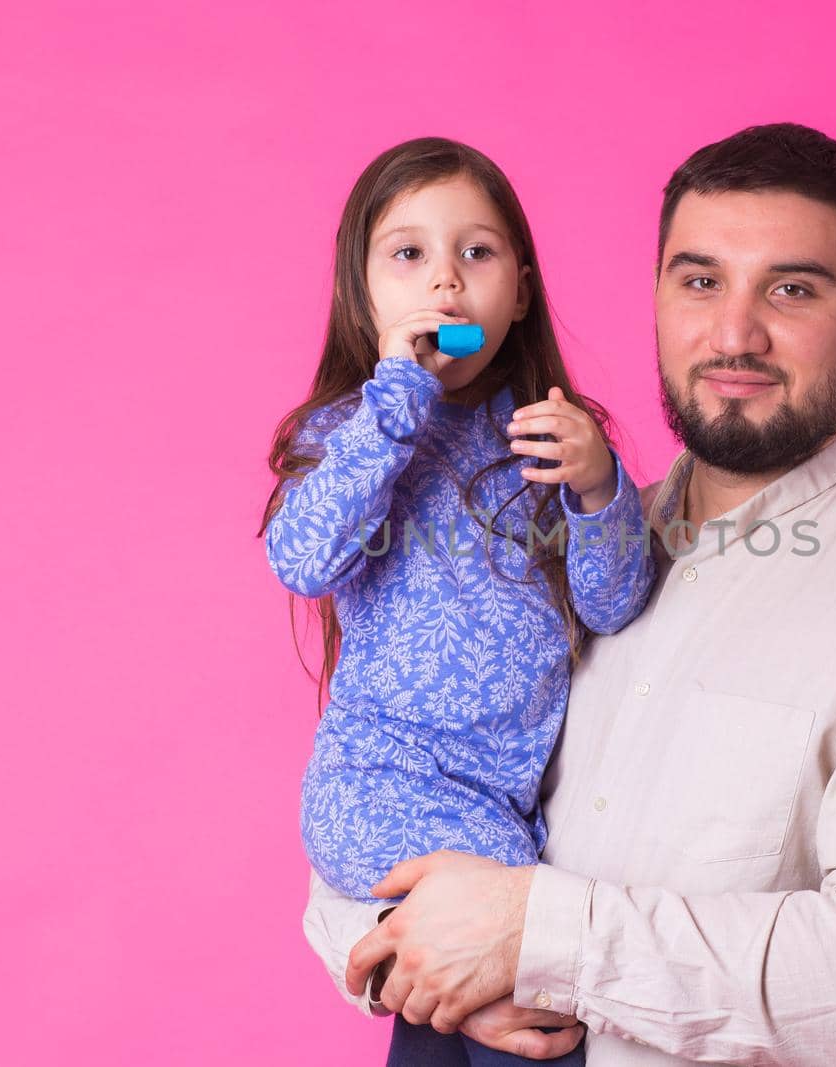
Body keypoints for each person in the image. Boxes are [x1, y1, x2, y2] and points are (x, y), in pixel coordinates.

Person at [302, 123, 836, 1066]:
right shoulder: (557, 534)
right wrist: (421, 963)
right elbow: (383, 813)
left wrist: (530, 935)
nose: (734, 333)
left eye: (791, 288)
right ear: (656, 296)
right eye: (700, 281)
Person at [259, 136, 656, 1066]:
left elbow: (614, 603)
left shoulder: (547, 438)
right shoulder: (350, 432)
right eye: (409, 256)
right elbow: (303, 557)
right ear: (367, 297)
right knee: (532, 989)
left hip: (502, 807)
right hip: (384, 786)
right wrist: (395, 395)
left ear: (519, 291)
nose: (446, 284)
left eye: (476, 253)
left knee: (458, 1012)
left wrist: (599, 489)